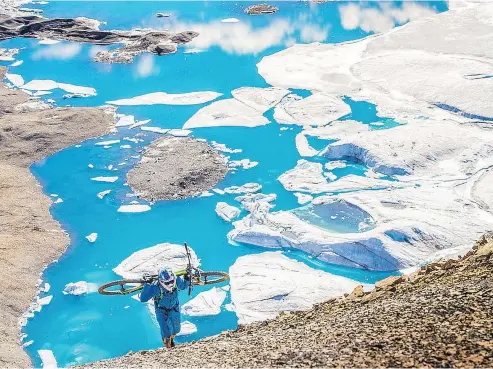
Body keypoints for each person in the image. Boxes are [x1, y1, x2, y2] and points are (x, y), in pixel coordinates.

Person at [139, 269, 190, 348]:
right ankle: (168, 347)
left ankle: (171, 339)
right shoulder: (156, 287)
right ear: (161, 281)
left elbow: (183, 286)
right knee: (165, 332)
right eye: (167, 283)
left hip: (174, 308)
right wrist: (147, 284)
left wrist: (187, 277)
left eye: (171, 281)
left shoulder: (176, 281)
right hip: (161, 310)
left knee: (177, 329)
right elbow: (143, 299)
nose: (170, 284)